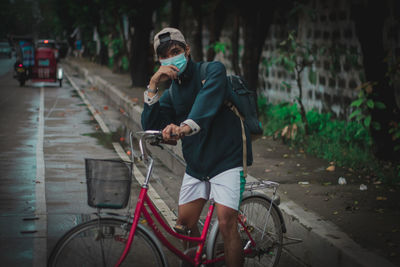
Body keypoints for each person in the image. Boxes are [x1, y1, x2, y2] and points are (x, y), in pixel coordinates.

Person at [141, 27, 252, 267]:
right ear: (159, 61)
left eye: (176, 51)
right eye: (165, 56)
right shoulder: (172, 93)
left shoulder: (213, 71)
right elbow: (152, 124)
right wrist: (152, 84)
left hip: (227, 158)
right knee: (185, 225)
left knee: (226, 223)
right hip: (197, 163)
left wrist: (183, 128)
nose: (172, 58)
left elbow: (204, 106)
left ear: (187, 50)